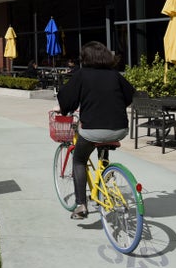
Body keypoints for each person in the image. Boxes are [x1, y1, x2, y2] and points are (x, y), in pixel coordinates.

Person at [57, 41, 135, 219]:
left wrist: (61, 109)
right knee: (103, 146)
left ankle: (80, 205)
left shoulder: (82, 74)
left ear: (85, 58)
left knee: (79, 160)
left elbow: (67, 98)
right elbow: (129, 95)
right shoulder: (115, 75)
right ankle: (104, 183)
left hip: (93, 130)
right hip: (120, 129)